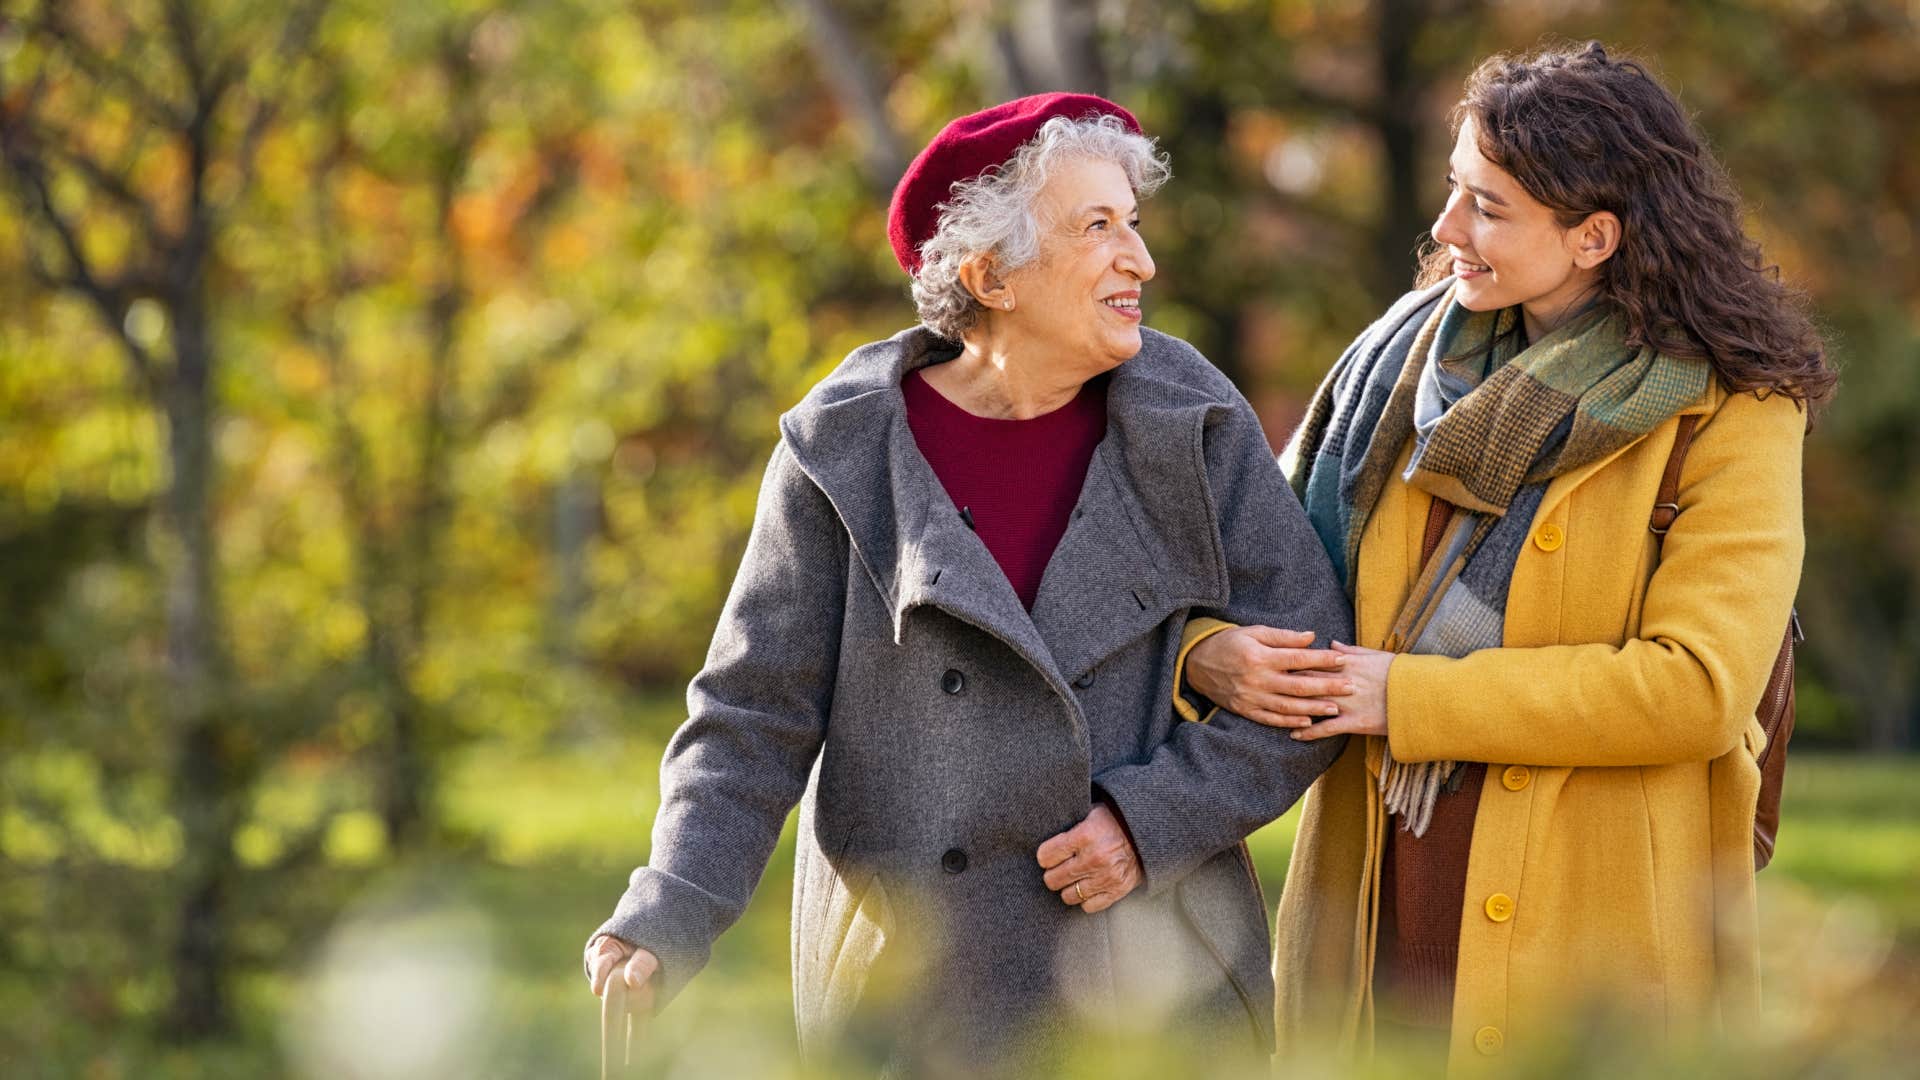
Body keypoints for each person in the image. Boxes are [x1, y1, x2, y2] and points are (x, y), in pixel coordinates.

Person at [582, 93, 1353, 1073]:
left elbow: (1312, 675)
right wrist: (666, 915)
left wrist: (1148, 820)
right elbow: (750, 720)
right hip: (916, 988)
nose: (1141, 261)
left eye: (1134, 222)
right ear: (989, 275)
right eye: (1098, 228)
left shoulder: (1191, 420)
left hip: (1153, 978)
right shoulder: (844, 450)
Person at [1179, 42, 1834, 1073]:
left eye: (1487, 207)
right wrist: (1207, 654)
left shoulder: (1735, 410)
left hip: (1596, 931)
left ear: (1593, 236)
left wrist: (1413, 699)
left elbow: (1698, 688)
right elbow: (1240, 574)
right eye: (1452, 191)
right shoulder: (1393, 374)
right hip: (1377, 900)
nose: (1445, 231)